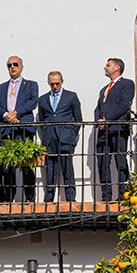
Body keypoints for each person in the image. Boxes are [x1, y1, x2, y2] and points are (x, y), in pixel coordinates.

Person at [0, 56, 39, 202]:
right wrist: (6, 116)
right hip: (6, 130)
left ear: (21, 67)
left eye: (15, 64)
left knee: (26, 165)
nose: (12, 67)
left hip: (23, 128)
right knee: (8, 166)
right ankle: (8, 198)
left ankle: (29, 198)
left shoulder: (31, 85)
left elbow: (33, 102)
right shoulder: (1, 87)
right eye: (9, 65)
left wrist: (15, 113)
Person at [37, 71, 82, 202]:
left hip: (66, 138)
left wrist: (71, 134)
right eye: (52, 84)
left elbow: (78, 119)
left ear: (62, 82)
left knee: (68, 169)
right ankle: (49, 199)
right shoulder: (43, 99)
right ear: (48, 83)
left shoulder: (71, 96)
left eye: (57, 83)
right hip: (50, 139)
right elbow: (41, 120)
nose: (55, 86)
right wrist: (46, 133)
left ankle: (71, 198)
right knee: (50, 169)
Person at [94, 57, 134, 201]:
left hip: (118, 129)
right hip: (103, 130)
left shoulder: (127, 84)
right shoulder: (104, 89)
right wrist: (99, 121)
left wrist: (107, 119)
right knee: (102, 163)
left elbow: (123, 105)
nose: (105, 67)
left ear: (117, 68)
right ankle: (106, 196)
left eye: (108, 65)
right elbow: (98, 108)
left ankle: (124, 195)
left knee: (120, 161)